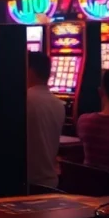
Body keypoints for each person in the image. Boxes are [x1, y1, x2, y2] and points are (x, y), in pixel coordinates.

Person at [25, 52, 65, 190]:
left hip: (27, 184)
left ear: (29, 71)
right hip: (49, 183)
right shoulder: (59, 104)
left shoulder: (24, 100)